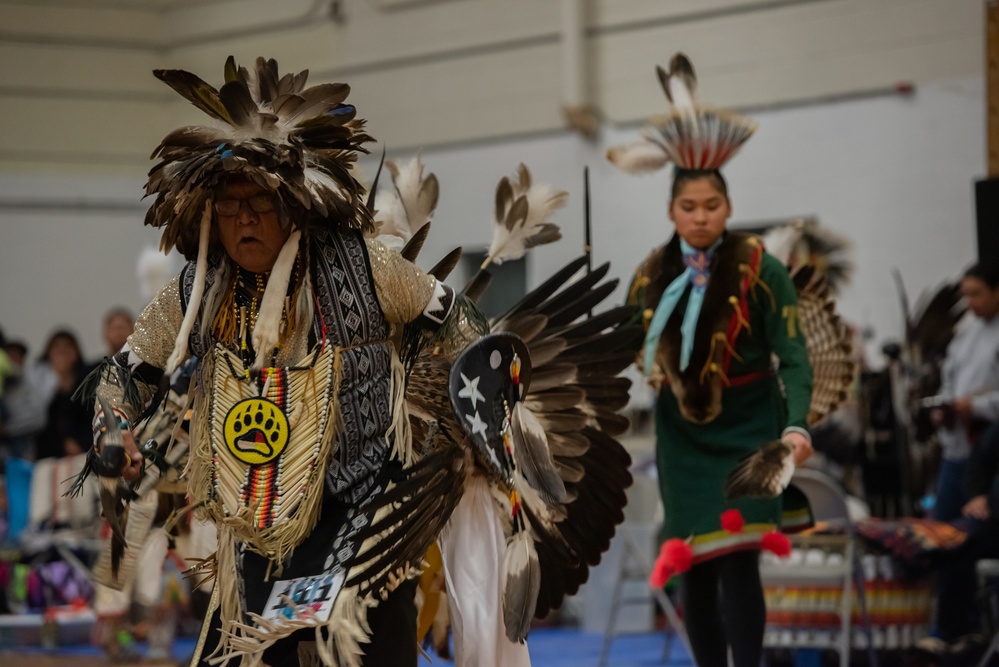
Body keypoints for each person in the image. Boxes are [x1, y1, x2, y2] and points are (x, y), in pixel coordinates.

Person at [79, 56, 484, 667]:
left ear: (294, 202)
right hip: (255, 539)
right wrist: (113, 429)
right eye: (231, 204)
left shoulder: (367, 270)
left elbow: (460, 324)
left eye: (259, 202)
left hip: (362, 521)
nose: (244, 218)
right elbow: (125, 372)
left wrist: (476, 417)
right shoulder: (197, 291)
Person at [609, 54, 815, 667]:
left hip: (751, 424)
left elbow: (795, 357)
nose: (701, 218)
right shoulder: (650, 276)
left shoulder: (761, 268)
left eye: (712, 207)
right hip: (682, 435)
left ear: (727, 207)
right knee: (693, 561)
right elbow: (619, 347)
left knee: (737, 553)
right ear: (672, 211)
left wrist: (796, 425)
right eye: (689, 207)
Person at [930, 262, 999, 521]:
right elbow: (948, 381)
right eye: (966, 294)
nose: (970, 302)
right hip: (957, 450)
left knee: (979, 535)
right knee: (940, 529)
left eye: (977, 293)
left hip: (991, 452)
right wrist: (944, 407)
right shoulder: (965, 335)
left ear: (997, 291)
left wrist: (977, 406)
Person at [35, 329, 90, 461]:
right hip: (45, 455)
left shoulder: (87, 382)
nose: (62, 352)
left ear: (76, 353)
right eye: (57, 348)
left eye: (67, 347)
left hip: (82, 454)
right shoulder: (36, 382)